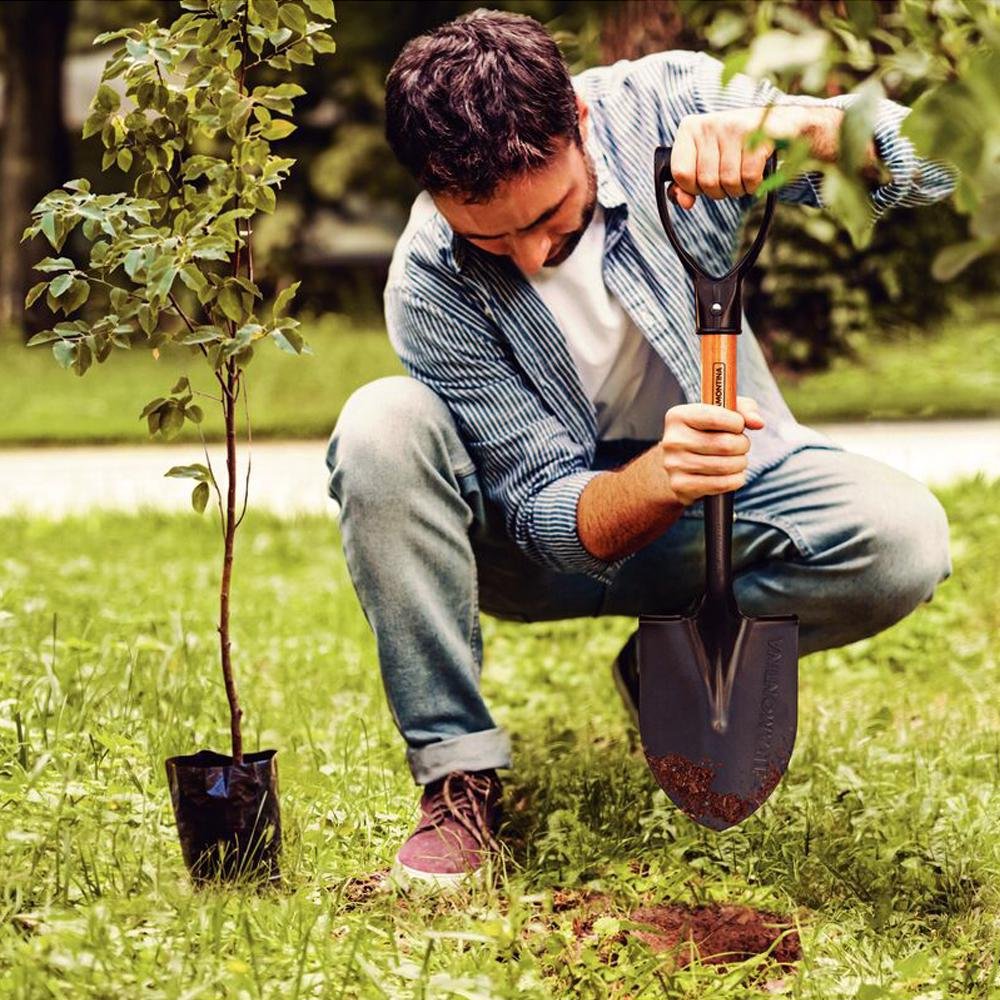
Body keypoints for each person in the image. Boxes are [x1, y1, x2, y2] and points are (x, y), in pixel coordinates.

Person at [325, 8, 954, 886]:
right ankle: (459, 781)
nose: (532, 254)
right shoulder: (429, 281)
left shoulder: (669, 100)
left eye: (548, 214)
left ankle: (670, 655)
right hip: (530, 551)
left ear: (578, 123)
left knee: (905, 540)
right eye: (490, 236)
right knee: (380, 424)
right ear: (434, 193)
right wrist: (657, 476)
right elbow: (545, 509)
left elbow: (920, 168)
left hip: (725, 505)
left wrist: (804, 130)